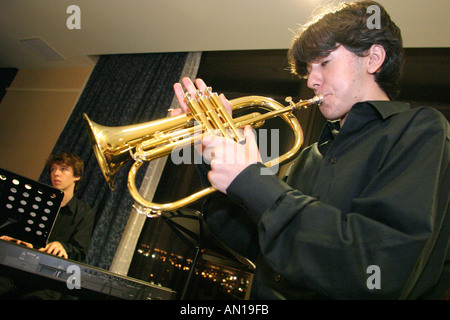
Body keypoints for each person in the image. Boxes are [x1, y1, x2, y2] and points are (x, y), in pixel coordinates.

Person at [171, 1, 449, 299]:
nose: (312, 80)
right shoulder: (308, 158)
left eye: (324, 63)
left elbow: (378, 269)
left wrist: (254, 181)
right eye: (308, 69)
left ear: (373, 58)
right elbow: (255, 244)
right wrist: (213, 154)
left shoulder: (420, 130)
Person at [0, 152, 94, 299]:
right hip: (18, 267)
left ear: (77, 176)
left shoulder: (83, 213)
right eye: (53, 169)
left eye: (63, 169)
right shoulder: (35, 200)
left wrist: (62, 246)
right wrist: (15, 237)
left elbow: (80, 251)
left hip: (47, 277)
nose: (56, 173)